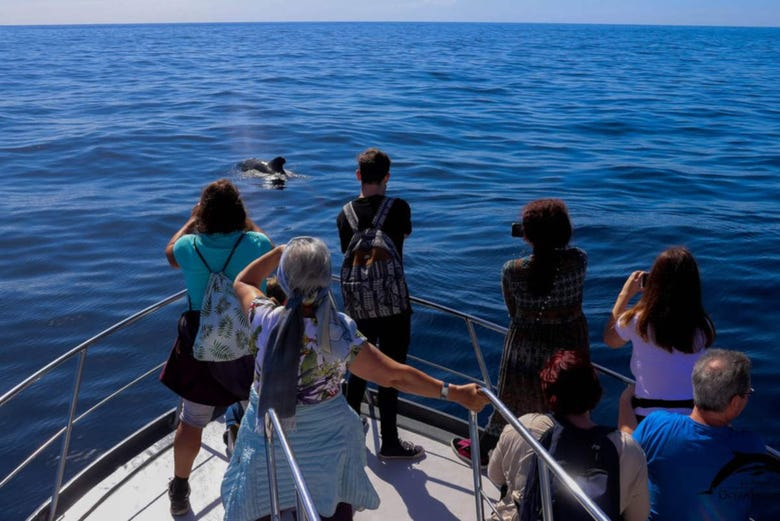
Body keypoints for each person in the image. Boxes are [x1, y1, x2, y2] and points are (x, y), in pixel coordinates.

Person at [221, 237, 488, 521]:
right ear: (325, 280)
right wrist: (455, 392)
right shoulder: (339, 331)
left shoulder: (262, 317)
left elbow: (243, 280)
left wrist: (278, 253)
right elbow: (395, 377)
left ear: (284, 280)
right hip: (328, 447)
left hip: (268, 440)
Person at [164, 179, 274, 516]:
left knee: (192, 422)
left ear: (204, 213)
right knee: (259, 419)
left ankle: (180, 489)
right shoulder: (256, 243)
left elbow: (169, 251)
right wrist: (246, 222)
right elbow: (265, 242)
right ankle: (263, 483)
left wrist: (191, 219)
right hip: (246, 345)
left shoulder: (189, 247)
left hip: (201, 348)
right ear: (239, 211)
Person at [453, 198, 589, 466]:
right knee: (567, 406)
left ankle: (484, 452)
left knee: (508, 404)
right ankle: (567, 458)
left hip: (524, 347)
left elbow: (513, 310)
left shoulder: (512, 271)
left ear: (527, 235)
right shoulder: (578, 261)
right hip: (568, 346)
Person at [487, 349, 649, 521]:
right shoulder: (628, 449)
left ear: (548, 391)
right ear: (595, 391)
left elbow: (494, 475)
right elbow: (638, 516)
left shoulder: (522, 428)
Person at [337, 148, 421, 460]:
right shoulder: (398, 207)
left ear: (358, 175)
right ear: (387, 177)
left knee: (357, 369)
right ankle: (390, 441)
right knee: (392, 371)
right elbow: (404, 237)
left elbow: (350, 253)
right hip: (394, 305)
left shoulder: (344, 214)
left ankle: (346, 434)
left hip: (359, 305)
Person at [632, 349, 772, 520]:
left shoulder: (655, 425)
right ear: (735, 402)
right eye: (747, 393)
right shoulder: (750, 446)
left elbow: (627, 463)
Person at [604, 246, 715, 428]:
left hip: (647, 419)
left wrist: (625, 295)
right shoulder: (703, 325)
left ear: (654, 281)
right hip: (691, 419)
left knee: (626, 397)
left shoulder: (637, 320)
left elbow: (610, 340)